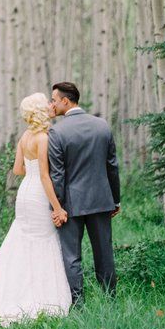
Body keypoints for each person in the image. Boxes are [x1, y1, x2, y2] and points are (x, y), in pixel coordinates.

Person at [0, 93, 71, 325]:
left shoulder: (25, 136)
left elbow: (17, 169)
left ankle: (11, 290)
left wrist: (32, 170)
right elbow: (45, 176)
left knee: (21, 239)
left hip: (24, 193)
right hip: (38, 194)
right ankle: (39, 295)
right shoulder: (43, 137)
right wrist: (58, 208)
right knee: (42, 240)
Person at [48, 82, 120, 305]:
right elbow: (112, 166)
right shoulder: (102, 125)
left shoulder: (57, 131)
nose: (51, 104)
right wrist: (115, 199)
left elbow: (57, 176)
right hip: (101, 200)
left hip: (71, 205)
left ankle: (77, 303)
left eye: (54, 100)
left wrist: (57, 208)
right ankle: (110, 300)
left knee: (72, 257)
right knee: (104, 253)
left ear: (65, 101)